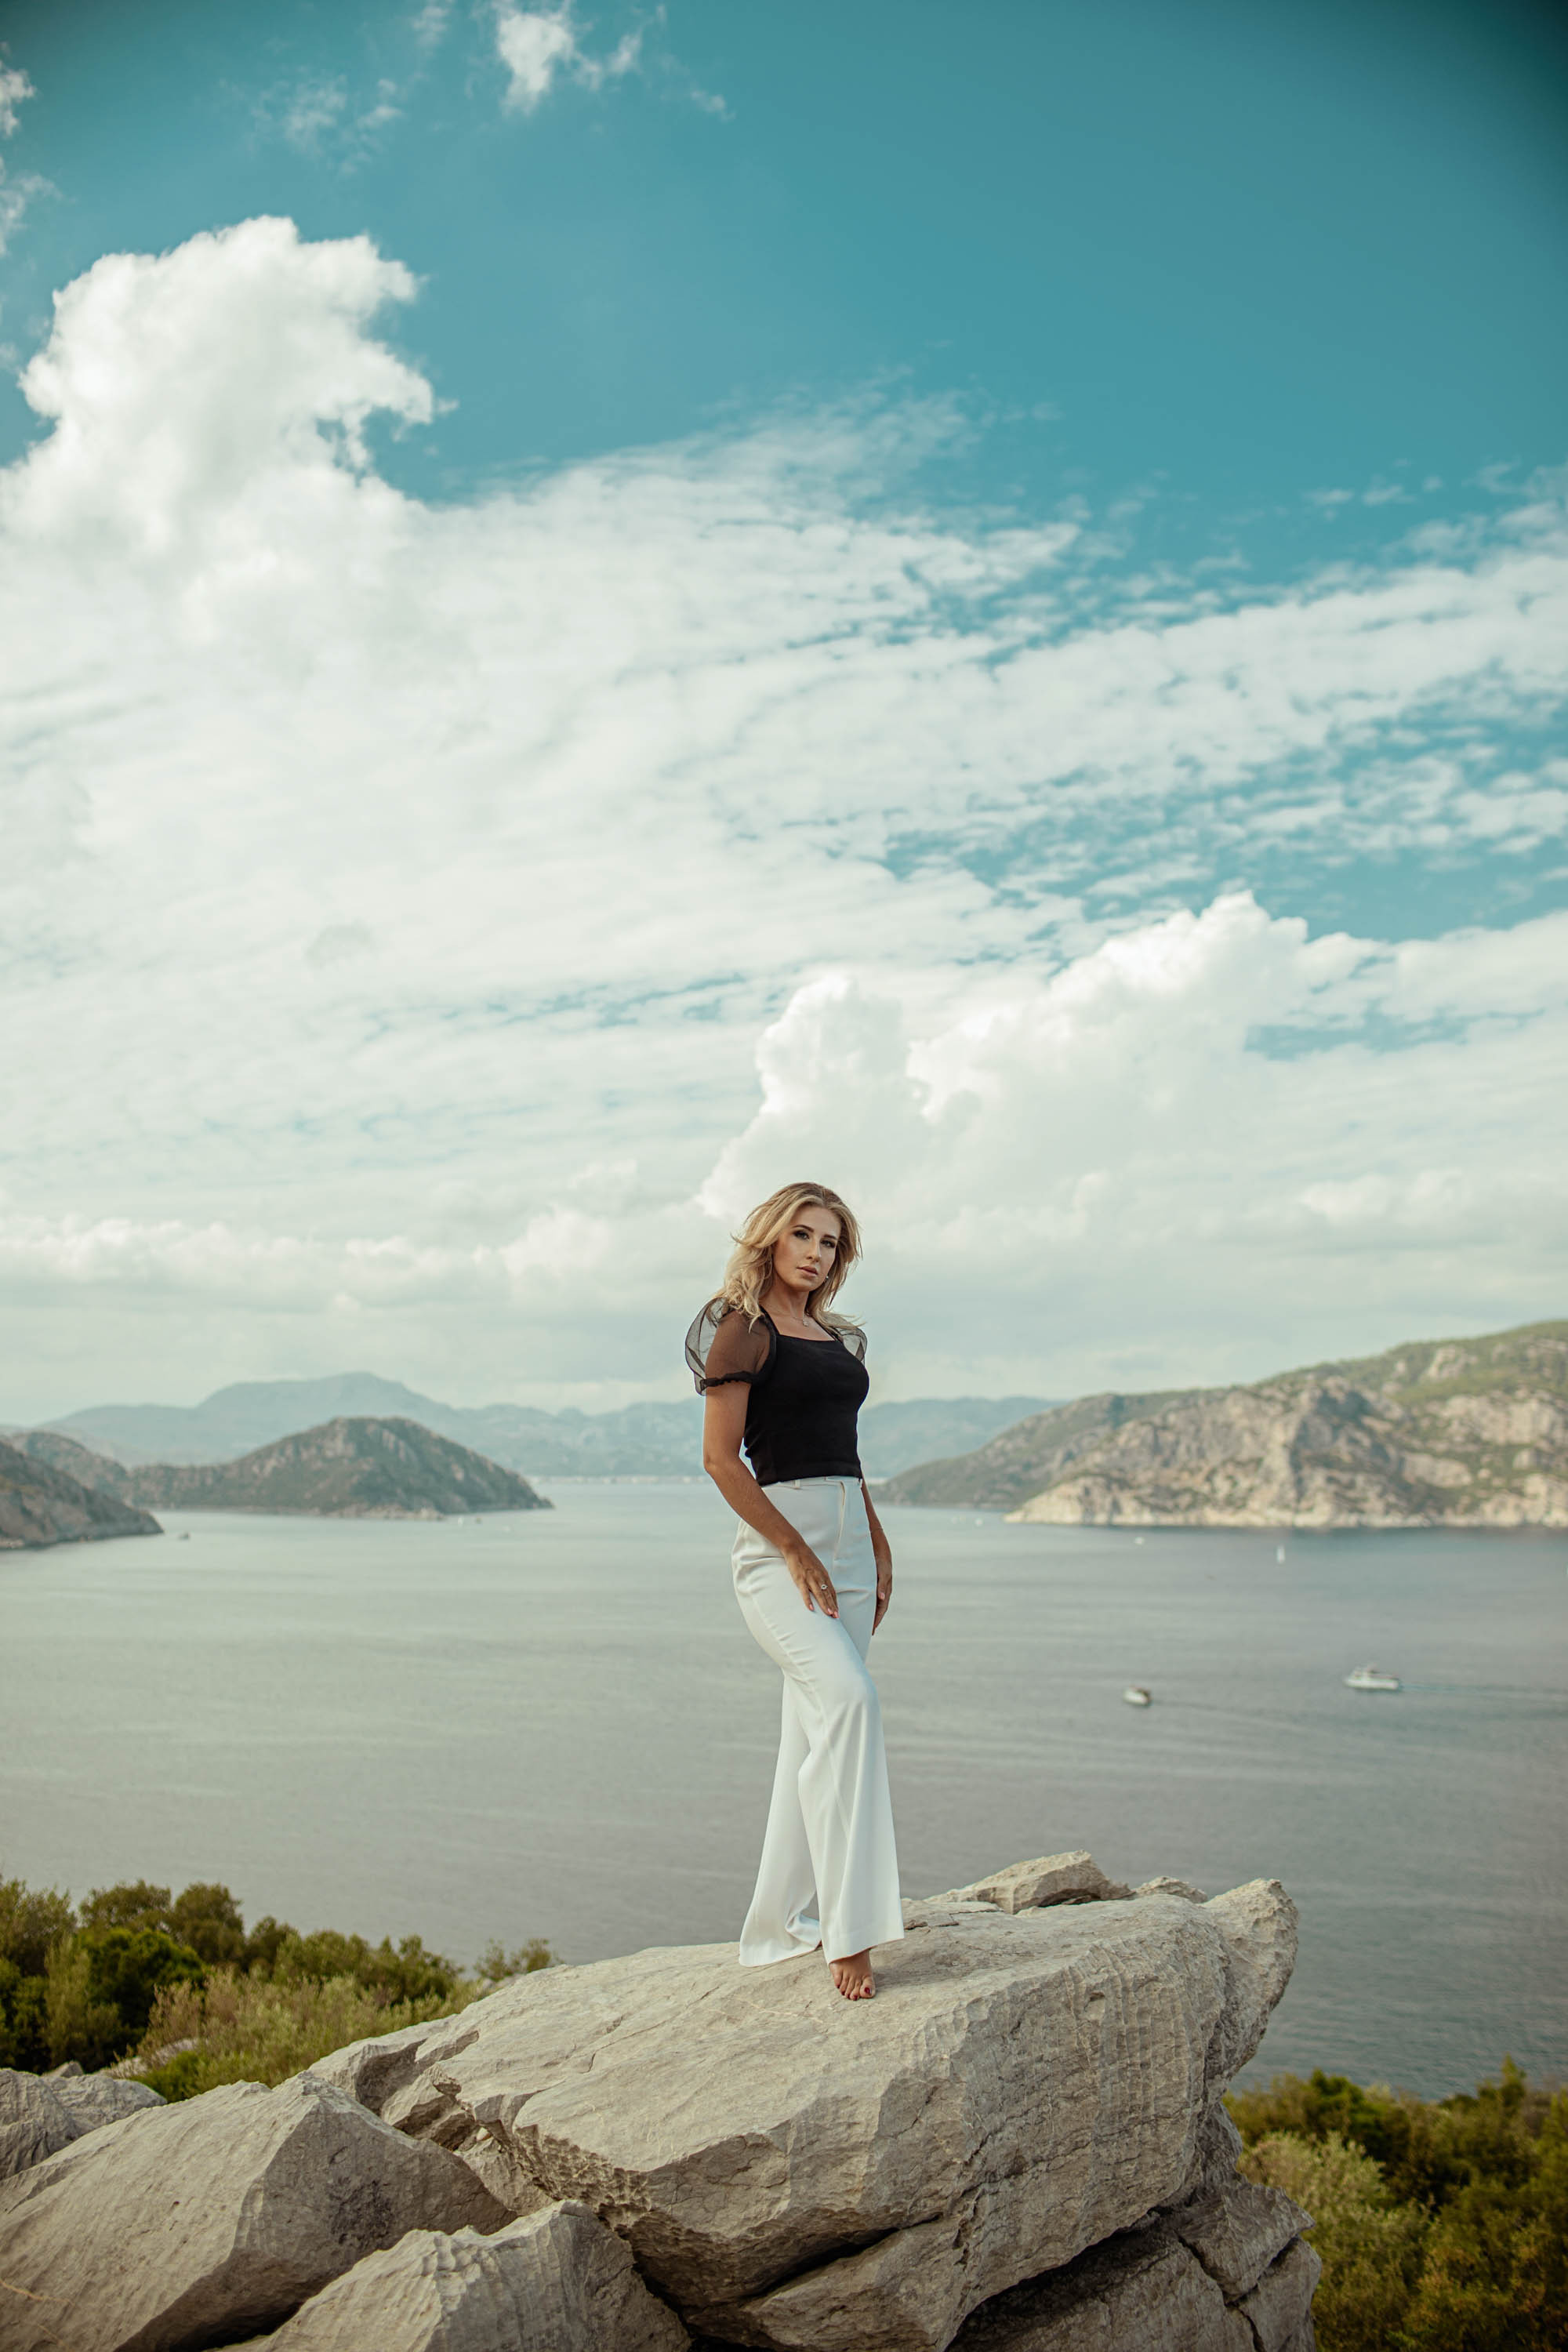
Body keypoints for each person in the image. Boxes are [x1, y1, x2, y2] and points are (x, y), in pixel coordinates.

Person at [686, 1181, 904, 2001]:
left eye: (830, 1242)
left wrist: (876, 1540)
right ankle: (851, 1932)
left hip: (849, 1546)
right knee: (850, 1705)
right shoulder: (742, 1330)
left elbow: (845, 1452)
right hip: (781, 1554)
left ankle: (779, 1925)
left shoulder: (835, 1339)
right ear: (772, 1239)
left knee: (811, 1737)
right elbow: (720, 1461)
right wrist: (791, 1548)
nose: (815, 1253)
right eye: (803, 1235)